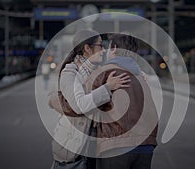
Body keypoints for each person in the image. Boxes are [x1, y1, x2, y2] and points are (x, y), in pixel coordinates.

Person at [49, 30, 131, 169]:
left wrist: (136, 73)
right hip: (73, 154)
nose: (104, 50)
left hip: (91, 149)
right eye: (100, 45)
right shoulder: (70, 73)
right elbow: (79, 105)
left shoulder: (96, 70)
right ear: (87, 48)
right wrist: (107, 87)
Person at [86, 33, 158, 169]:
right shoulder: (141, 76)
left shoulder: (106, 72)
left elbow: (83, 104)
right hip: (146, 144)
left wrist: (54, 99)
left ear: (113, 48)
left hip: (116, 146)